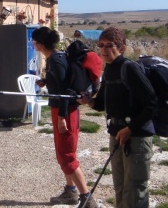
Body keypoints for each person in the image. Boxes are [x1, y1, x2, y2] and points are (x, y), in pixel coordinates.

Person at [77, 27, 158, 208]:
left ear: (122, 48)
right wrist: (88, 101)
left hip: (135, 136)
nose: (104, 50)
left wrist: (130, 129)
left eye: (109, 46)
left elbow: (152, 104)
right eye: (101, 45)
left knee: (135, 188)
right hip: (117, 134)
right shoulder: (110, 70)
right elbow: (101, 104)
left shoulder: (130, 68)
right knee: (120, 186)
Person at [32, 26, 97, 208]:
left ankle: (87, 199)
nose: (33, 44)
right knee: (63, 153)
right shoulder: (54, 59)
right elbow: (61, 83)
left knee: (67, 156)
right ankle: (70, 192)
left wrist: (61, 117)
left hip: (66, 112)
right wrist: (47, 81)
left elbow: (66, 92)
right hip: (62, 111)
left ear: (39, 44)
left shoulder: (57, 60)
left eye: (34, 41)